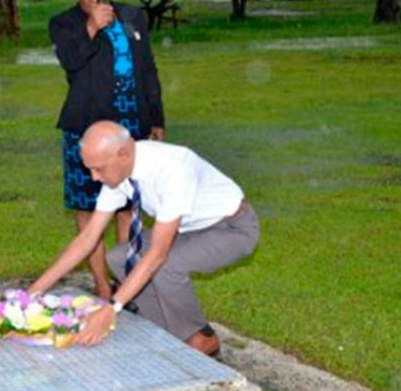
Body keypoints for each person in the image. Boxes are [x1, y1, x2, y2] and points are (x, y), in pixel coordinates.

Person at [29, 121, 260, 356]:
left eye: (98, 169)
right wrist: (35, 290)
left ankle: (201, 337)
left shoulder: (173, 168)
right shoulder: (119, 171)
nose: (94, 177)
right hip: (190, 228)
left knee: (167, 266)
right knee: (119, 258)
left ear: (123, 154)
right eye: (90, 169)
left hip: (232, 228)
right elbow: (89, 236)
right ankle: (165, 330)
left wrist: (112, 308)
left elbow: (158, 255)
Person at [50, 0, 165, 301]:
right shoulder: (64, 23)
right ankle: (102, 284)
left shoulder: (132, 15)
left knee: (127, 206)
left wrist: (156, 116)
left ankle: (125, 278)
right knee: (88, 207)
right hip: (87, 128)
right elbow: (71, 61)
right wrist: (91, 27)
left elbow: (148, 68)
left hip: (131, 122)